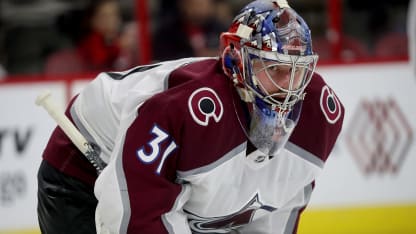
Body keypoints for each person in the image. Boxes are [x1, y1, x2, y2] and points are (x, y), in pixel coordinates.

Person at [37, 1, 344, 233]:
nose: (287, 86)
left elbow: (278, 208)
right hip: (81, 172)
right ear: (236, 60)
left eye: (297, 70)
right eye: (274, 68)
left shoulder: (320, 114)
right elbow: (133, 215)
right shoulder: (181, 108)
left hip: (161, 182)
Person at [76, 0, 137, 72]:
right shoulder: (89, 44)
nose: (112, 20)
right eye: (105, 16)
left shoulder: (123, 39)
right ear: (93, 20)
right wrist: (118, 46)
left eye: (114, 14)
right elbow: (98, 63)